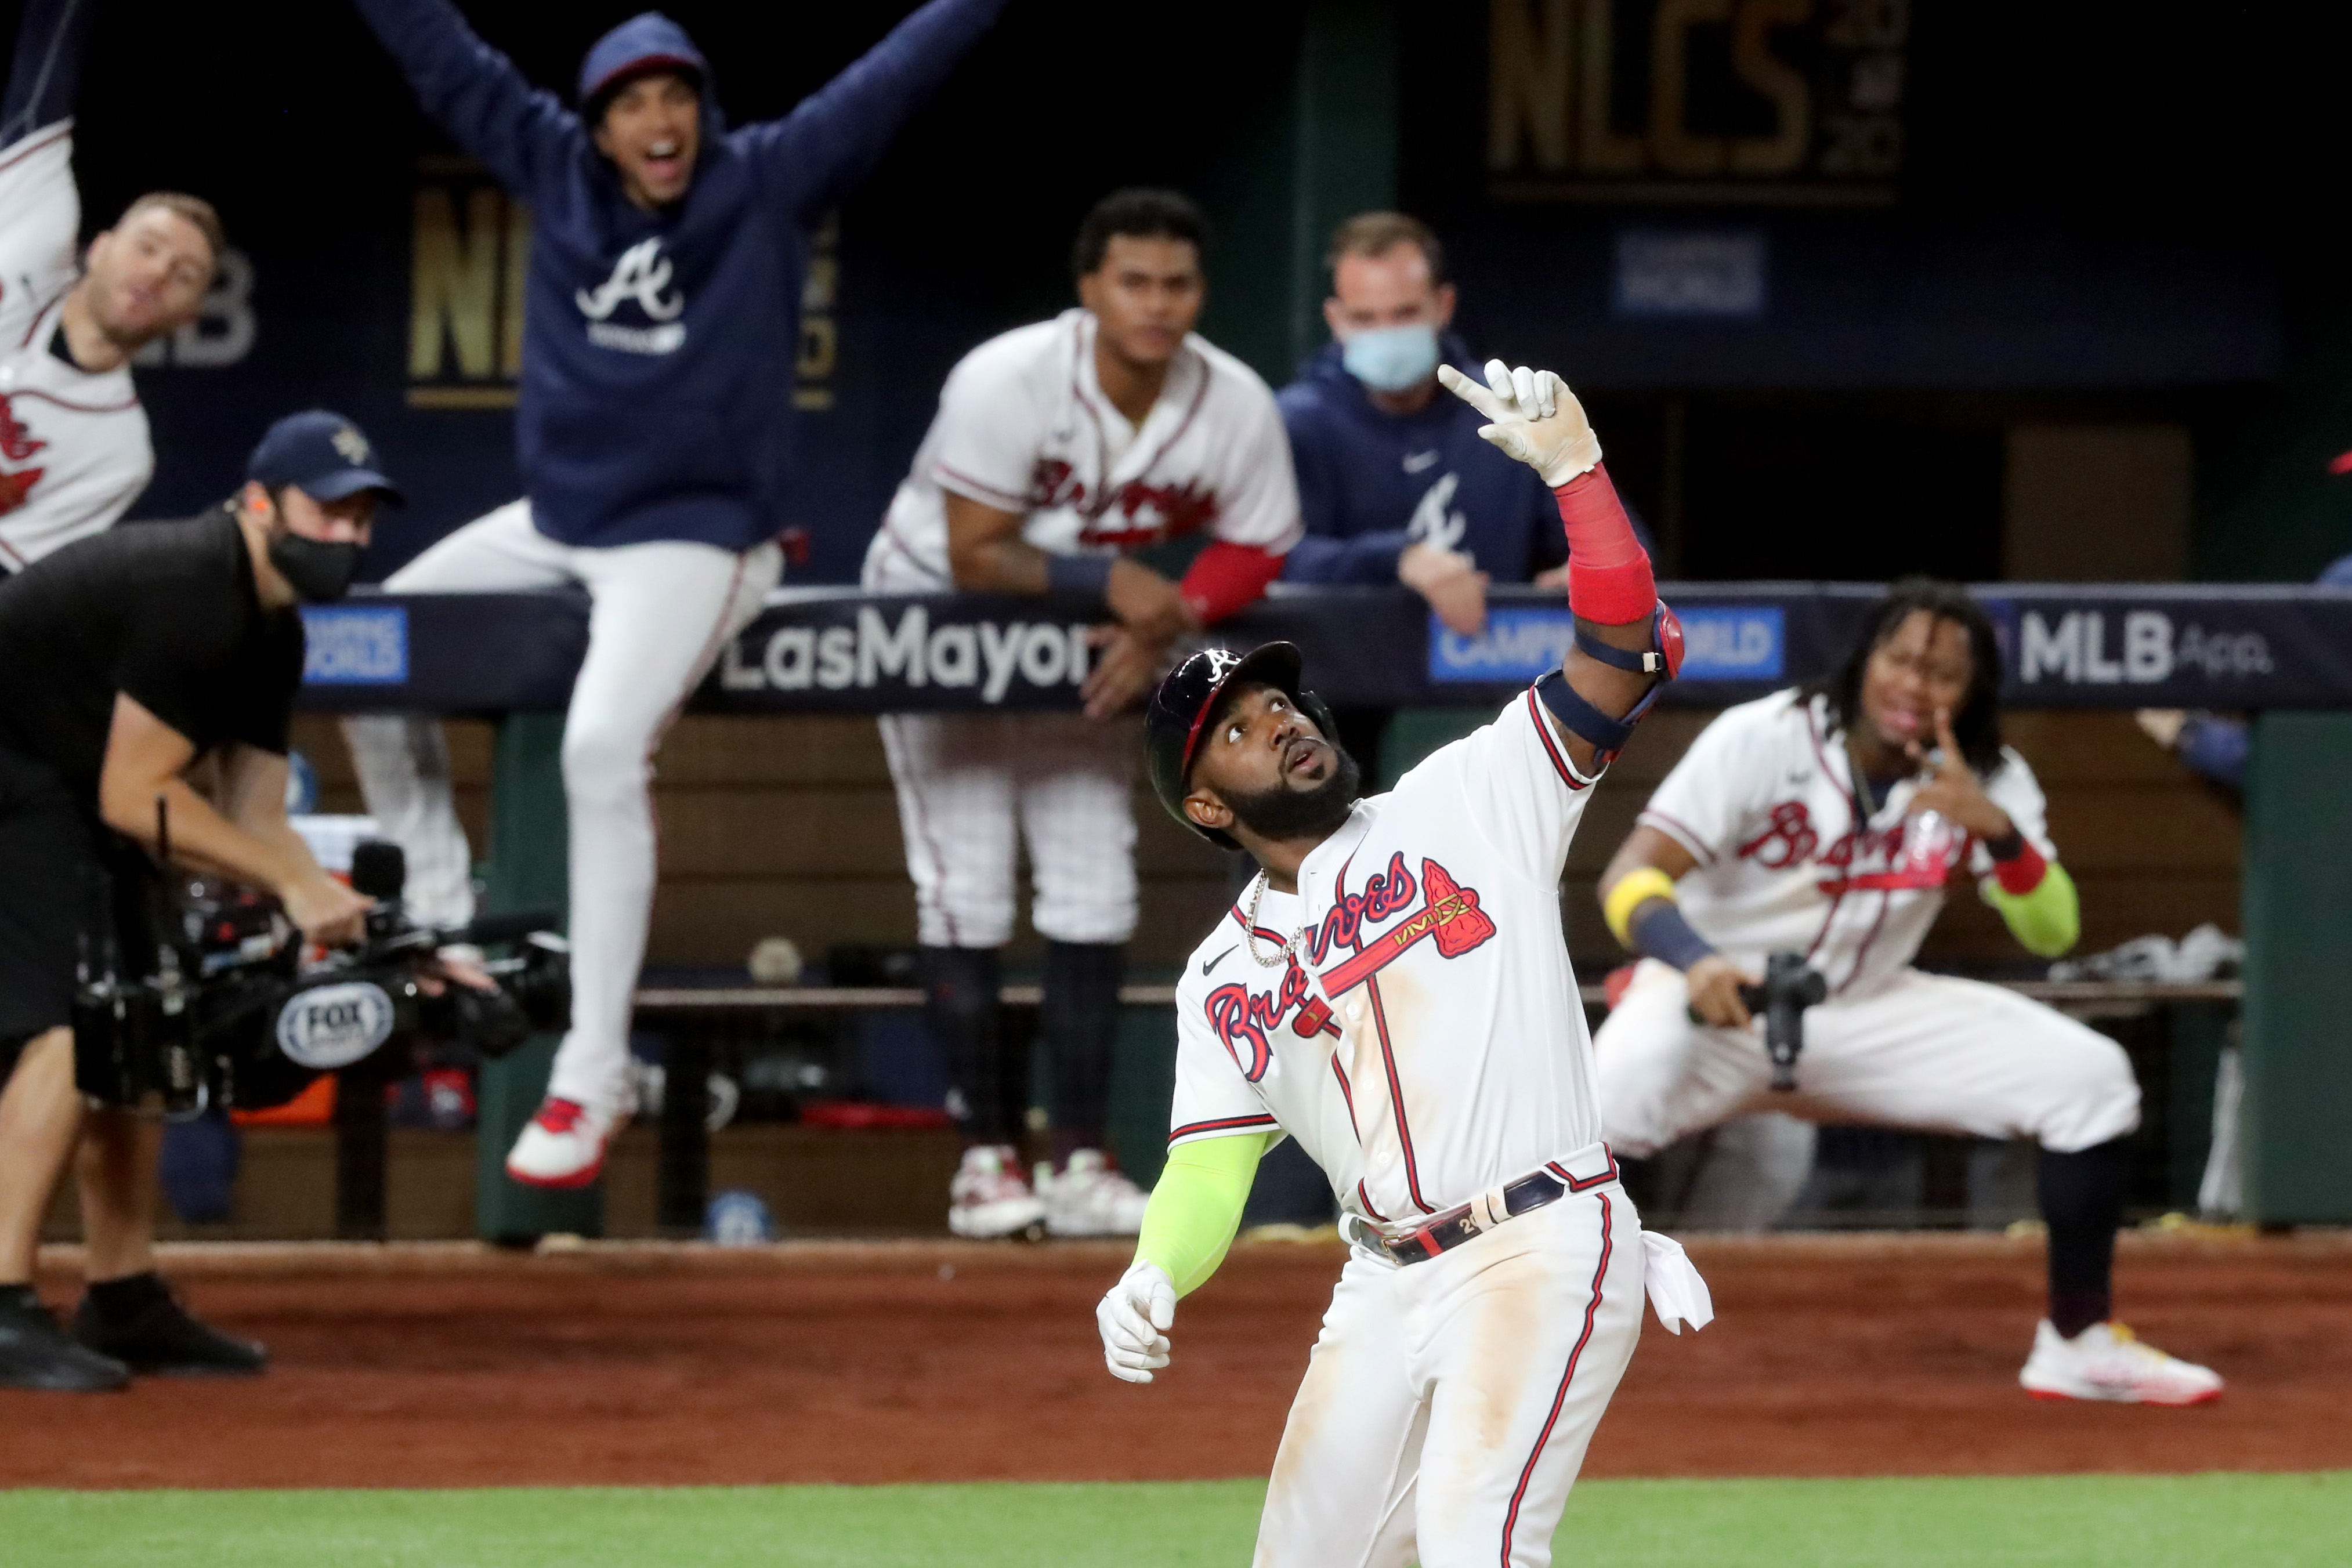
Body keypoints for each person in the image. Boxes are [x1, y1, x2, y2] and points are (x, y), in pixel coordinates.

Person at [339, 0, 1007, 1189]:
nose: (659, 120)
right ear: (599, 125)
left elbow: (898, 68)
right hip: (557, 524)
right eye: (632, 102)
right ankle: (443, 917)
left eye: (677, 97)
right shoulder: (553, 161)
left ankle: (589, 1071)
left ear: (702, 110)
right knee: (364, 646)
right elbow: (440, 48)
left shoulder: (762, 181)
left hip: (697, 540)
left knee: (599, 750)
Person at [1094, 360, 1713, 1565]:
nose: (1275, 720)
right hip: (1381, 1280)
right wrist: (1153, 1270)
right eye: (1234, 729)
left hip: (1540, 1241)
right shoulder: (1220, 977)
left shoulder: (1471, 795)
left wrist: (1577, 478)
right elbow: (1209, 1174)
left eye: (1275, 701)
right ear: (1207, 809)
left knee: (1473, 1545)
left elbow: (1621, 644)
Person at [1589, 578, 2225, 1404]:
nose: (1914, 683)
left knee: (2090, 1077)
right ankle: (1573, 1335)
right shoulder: (1765, 735)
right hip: (1719, 997)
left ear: (1972, 692)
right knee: (1607, 1094)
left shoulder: (1989, 777)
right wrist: (1692, 955)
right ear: (1864, 661)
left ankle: (2078, 1340)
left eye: (1942, 671)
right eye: (1900, 658)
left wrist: (1992, 829)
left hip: (1867, 1008)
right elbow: (1627, 875)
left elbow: (2052, 931)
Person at [861, 189, 1302, 1239]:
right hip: (940, 611)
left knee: (1092, 886)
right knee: (963, 887)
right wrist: (1119, 587)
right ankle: (983, 1160)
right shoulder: (1008, 377)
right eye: (1133, 282)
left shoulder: (1230, 399)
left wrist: (1174, 615)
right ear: (1090, 289)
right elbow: (976, 548)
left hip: (1092, 641)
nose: (1155, 304)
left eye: (1177, 283)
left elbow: (1261, 540)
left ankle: (1080, 1160)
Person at [0, 410, 396, 1390]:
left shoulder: (275, 633)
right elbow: (136, 798)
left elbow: (253, 814)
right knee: (58, 1033)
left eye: (361, 519)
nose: (347, 536)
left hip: (74, 785)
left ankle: (122, 1293)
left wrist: (339, 908)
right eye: (327, 512)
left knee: (136, 1027)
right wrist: (293, 884)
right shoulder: (194, 587)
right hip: (17, 776)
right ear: (260, 504)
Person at [1278, 211, 1627, 774]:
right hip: (1334, 718)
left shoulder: (1506, 407)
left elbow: (1624, 543)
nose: (1386, 333)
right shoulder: (1297, 421)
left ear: (1443, 306)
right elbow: (1272, 557)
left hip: (1489, 709)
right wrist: (1398, 557)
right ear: (1335, 320)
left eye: (1404, 314)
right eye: (1365, 318)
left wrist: (1585, 574)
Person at [1, 0, 222, 570]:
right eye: (146, 248)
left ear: (190, 316)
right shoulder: (34, 234)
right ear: (98, 248)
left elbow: (14, 583)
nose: (156, 273)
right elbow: (42, 78)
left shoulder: (116, 452)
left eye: (184, 275)